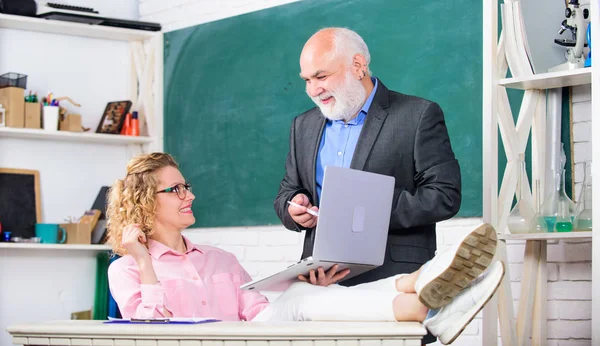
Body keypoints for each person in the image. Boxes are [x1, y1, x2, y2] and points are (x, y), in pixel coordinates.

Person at [106, 153, 503, 345]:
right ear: (145, 201)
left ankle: (424, 302)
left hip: (249, 339)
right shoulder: (126, 269)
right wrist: (143, 260)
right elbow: (146, 331)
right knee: (300, 296)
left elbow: (259, 314)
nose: (188, 194)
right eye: (176, 190)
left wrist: (317, 291)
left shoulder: (219, 259)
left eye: (186, 186)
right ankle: (428, 293)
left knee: (303, 292)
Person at [273, 27, 462, 289]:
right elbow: (287, 192)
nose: (314, 90)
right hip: (320, 283)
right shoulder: (303, 126)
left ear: (358, 65)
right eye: (307, 80)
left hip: (393, 279)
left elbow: (444, 196)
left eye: (321, 76)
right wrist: (294, 207)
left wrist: (361, 209)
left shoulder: (417, 115)